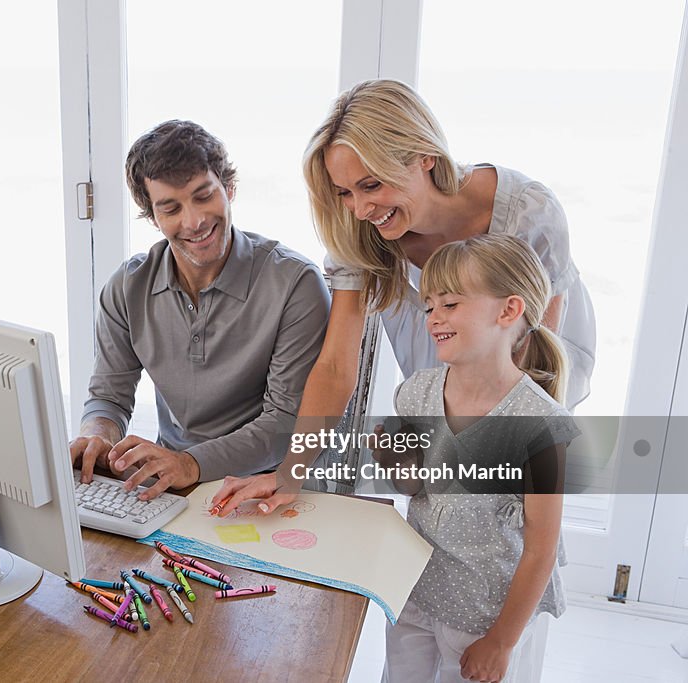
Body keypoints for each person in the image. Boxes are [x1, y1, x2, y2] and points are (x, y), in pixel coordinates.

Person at [212, 78, 595, 511]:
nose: (359, 209)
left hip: (524, 366)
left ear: (424, 156)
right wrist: (289, 473)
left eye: (371, 185)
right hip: (449, 371)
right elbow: (337, 366)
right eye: (345, 193)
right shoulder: (360, 231)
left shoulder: (529, 214)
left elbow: (529, 374)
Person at [69, 120, 330, 500]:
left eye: (204, 196)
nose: (194, 221)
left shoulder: (296, 283)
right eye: (171, 208)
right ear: (153, 217)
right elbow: (108, 396)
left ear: (229, 189)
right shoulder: (128, 287)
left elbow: (285, 424)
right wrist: (96, 435)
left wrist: (189, 463)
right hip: (171, 486)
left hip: (270, 489)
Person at [377, 234, 574, 682]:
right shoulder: (418, 393)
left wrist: (502, 641)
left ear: (508, 310)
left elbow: (541, 547)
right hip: (416, 592)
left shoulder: (539, 425)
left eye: (450, 304)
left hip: (485, 612)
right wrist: (391, 460)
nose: (434, 318)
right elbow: (416, 487)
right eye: (429, 307)